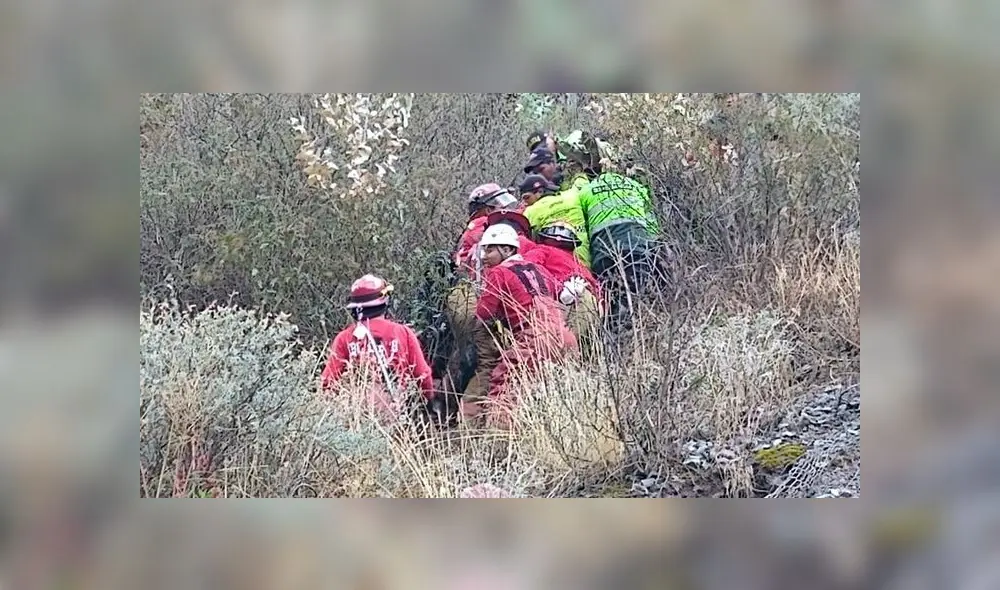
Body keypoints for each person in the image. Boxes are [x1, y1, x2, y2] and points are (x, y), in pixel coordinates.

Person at [465, 224, 577, 428]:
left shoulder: (499, 273)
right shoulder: (539, 269)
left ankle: (500, 443)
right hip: (565, 337)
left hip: (534, 339)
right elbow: (560, 296)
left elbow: (483, 313)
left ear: (507, 250)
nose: (484, 256)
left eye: (490, 249)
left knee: (503, 388)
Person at [321, 274, 437, 423]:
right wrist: (429, 403)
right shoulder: (402, 333)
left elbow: (327, 383)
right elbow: (423, 376)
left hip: (356, 419)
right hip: (396, 415)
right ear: (384, 303)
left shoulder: (344, 338)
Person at [443, 183, 521, 393]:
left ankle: (449, 405)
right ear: (486, 209)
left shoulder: (471, 231)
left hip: (470, 294)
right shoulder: (485, 228)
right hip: (477, 297)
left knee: (465, 355)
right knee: (483, 359)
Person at [575, 164, 661, 325]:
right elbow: (652, 224)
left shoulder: (585, 192)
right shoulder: (636, 185)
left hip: (603, 251)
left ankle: (618, 337)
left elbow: (582, 230)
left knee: (613, 301)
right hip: (636, 246)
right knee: (642, 296)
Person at [525, 222, 603, 348]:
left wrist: (558, 288)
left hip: (565, 300)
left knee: (562, 346)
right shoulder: (578, 263)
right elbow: (596, 288)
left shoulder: (542, 250)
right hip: (590, 303)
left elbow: (527, 267)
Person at [518, 167, 591, 268]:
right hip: (586, 256)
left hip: (560, 262)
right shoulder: (572, 196)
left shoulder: (530, 212)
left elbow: (530, 242)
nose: (525, 203)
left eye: (526, 197)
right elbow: (581, 183)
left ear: (539, 192)